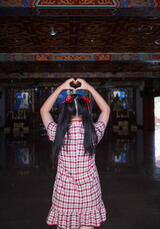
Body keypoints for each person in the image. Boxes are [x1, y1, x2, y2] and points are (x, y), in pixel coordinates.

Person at [40, 78, 110, 229]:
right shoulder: (94, 133)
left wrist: (62, 87)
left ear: (65, 111)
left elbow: (44, 110)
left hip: (65, 197)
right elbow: (106, 110)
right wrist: (89, 87)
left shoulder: (57, 132)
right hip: (89, 196)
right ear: (87, 111)